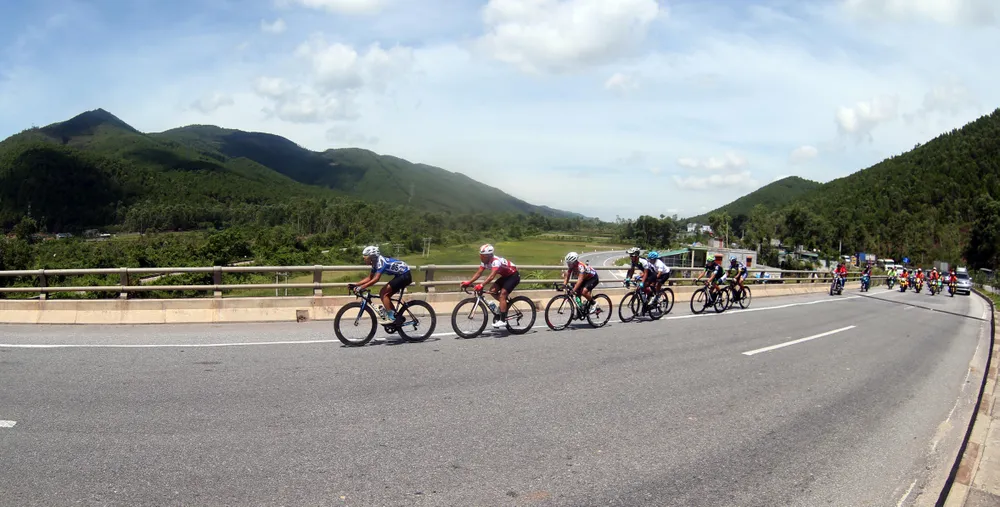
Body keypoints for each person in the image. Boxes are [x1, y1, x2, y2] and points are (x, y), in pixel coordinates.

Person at [461, 244, 520, 329]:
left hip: (513, 276)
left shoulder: (496, 261)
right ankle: (504, 305)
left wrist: (482, 285)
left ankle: (503, 320)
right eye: (480, 255)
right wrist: (469, 282)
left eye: (482, 256)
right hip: (505, 276)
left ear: (488, 256)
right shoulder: (484, 262)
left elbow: (492, 276)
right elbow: (478, 273)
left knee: (502, 295)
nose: (480, 257)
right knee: (492, 290)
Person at [354, 245, 412, 325]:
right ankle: (396, 317)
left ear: (372, 257)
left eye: (365, 257)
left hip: (404, 275)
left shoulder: (381, 262)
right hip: (400, 275)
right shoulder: (375, 263)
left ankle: (392, 318)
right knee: (385, 295)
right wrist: (356, 285)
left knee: (383, 293)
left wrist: (361, 287)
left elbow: (376, 279)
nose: (364, 259)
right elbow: (369, 278)